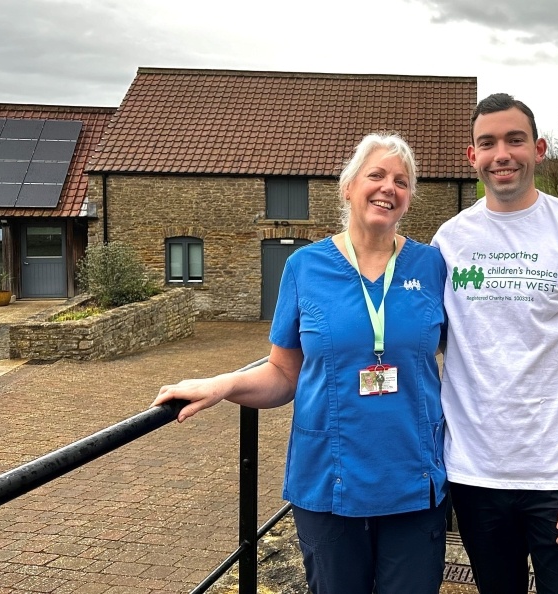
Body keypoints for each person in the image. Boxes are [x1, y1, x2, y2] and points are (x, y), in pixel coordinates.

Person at [152, 133, 449, 594]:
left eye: (401, 181)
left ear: (409, 199)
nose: (388, 187)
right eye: (376, 175)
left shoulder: (431, 266)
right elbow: (283, 373)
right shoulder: (304, 266)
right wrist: (223, 385)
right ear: (348, 187)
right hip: (329, 479)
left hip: (411, 478)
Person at [432, 93, 558, 594]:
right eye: (488, 143)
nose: (502, 153)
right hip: (476, 474)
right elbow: (424, 341)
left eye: (514, 140)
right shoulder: (449, 241)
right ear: (471, 157)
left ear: (538, 149)